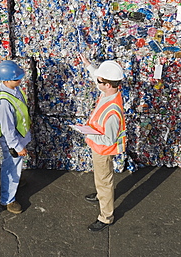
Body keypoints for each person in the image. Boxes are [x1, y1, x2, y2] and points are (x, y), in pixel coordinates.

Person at [79, 54, 126, 232]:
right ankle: (100, 195)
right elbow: (96, 78)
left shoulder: (113, 111)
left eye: (99, 81)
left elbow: (108, 139)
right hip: (98, 146)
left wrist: (88, 135)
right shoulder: (108, 92)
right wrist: (88, 65)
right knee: (101, 179)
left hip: (103, 149)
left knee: (104, 181)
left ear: (107, 85)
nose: (96, 83)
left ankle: (106, 217)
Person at [0, 60, 31, 214]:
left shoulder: (14, 90)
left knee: (16, 166)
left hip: (19, 136)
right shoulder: (3, 103)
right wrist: (17, 146)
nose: (20, 81)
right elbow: (8, 130)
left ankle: (15, 182)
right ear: (6, 80)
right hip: (12, 141)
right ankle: (7, 200)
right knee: (11, 167)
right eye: (16, 79)